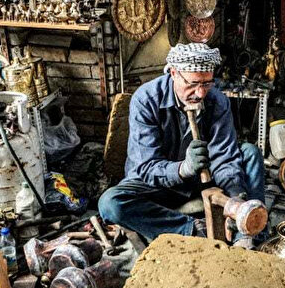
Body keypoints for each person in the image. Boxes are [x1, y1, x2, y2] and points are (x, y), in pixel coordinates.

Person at [98, 43, 267, 248]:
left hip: (199, 183)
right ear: (173, 73)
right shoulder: (146, 100)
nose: (201, 93)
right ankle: (192, 230)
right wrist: (183, 168)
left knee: (250, 153)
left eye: (207, 84)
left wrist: (236, 199)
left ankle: (246, 233)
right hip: (155, 185)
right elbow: (146, 168)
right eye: (193, 83)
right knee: (110, 204)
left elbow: (225, 157)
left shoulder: (218, 101)